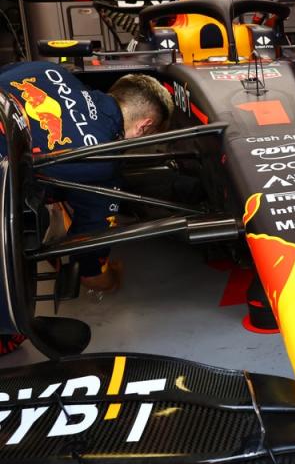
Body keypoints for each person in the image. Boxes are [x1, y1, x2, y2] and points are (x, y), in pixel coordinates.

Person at [0, 62, 174, 294]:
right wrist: (114, 276)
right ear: (144, 127)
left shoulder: (48, 70)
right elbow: (90, 275)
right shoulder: (102, 165)